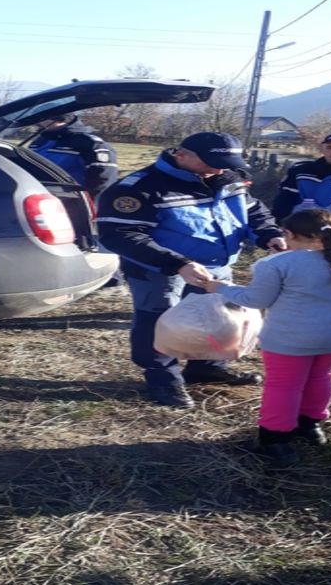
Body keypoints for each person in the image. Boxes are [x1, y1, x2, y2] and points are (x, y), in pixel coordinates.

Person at [96, 131, 287, 409]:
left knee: (220, 318)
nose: (219, 169)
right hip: (159, 271)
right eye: (211, 162)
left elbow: (254, 211)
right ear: (181, 154)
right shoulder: (138, 188)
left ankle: (206, 366)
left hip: (218, 266)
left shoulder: (229, 179)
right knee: (161, 322)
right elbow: (120, 234)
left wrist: (268, 234)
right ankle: (163, 377)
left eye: (225, 163)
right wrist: (177, 264)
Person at [204, 208, 331, 468]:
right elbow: (320, 270)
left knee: (284, 385)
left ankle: (276, 438)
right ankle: (311, 425)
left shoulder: (276, 264)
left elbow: (256, 299)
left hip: (293, 336)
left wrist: (220, 287)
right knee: (319, 376)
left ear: (288, 234)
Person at [30, 114, 118, 200]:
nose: (39, 122)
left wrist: (90, 209)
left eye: (43, 118)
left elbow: (103, 182)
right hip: (38, 197)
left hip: (72, 202)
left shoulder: (90, 143)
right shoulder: (39, 141)